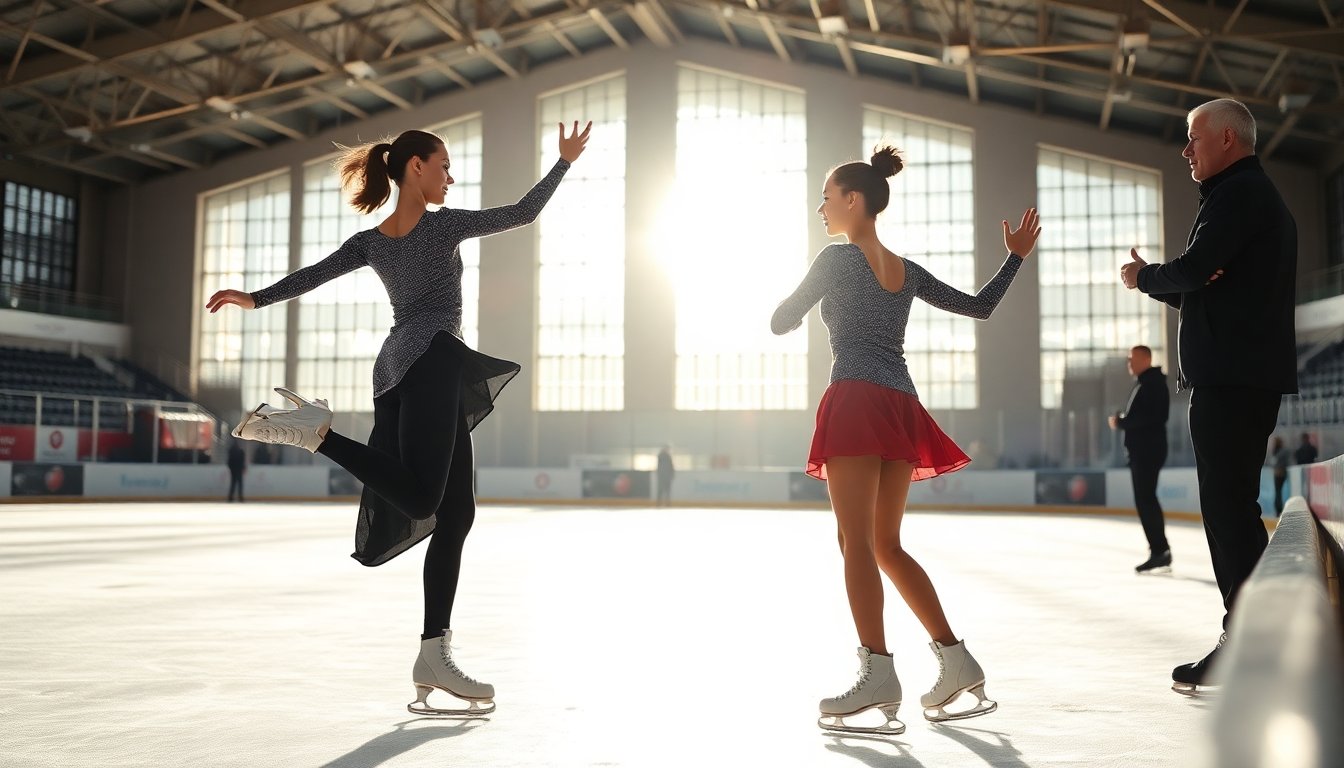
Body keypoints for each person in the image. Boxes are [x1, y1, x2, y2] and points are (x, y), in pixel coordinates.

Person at [206, 120, 592, 716]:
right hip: (434, 360)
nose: (450, 176)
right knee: (421, 502)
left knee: (455, 513)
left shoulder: (373, 241)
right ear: (416, 167)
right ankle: (319, 435)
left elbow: (314, 276)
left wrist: (255, 299)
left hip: (400, 368)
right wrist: (563, 163)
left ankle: (434, 652)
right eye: (443, 166)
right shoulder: (442, 227)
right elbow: (522, 212)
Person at [772, 143, 1041, 734]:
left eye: (826, 198)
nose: (821, 209)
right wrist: (1014, 258)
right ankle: (957, 661)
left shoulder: (835, 260)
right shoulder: (905, 269)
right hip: (900, 405)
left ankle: (878, 673)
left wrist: (788, 316)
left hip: (856, 400)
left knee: (855, 545)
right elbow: (980, 306)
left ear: (853, 200)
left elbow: (781, 316)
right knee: (886, 545)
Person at [1120, 98, 1296, 696]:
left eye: (1193, 138)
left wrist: (1148, 276)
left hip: (1232, 376)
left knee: (1227, 510)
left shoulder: (1239, 195)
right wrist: (1185, 277)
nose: (1185, 149)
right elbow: (1204, 282)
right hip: (1237, 372)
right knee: (1232, 509)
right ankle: (1259, 632)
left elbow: (1197, 273)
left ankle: (1248, 640)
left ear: (1226, 138)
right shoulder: (1237, 198)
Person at [1107, 345, 1171, 573]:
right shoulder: (1147, 382)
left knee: (1146, 500)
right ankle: (1159, 549)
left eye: (1131, 358)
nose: (1129, 363)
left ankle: (1159, 551)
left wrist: (1121, 422)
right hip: (1145, 450)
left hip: (1147, 451)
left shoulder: (1151, 384)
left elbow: (1151, 417)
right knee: (1146, 499)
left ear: (1145, 358)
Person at [1268, 436, 1292, 516]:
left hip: (1277, 473)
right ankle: (1279, 509)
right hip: (1282, 473)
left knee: (1278, 492)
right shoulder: (1283, 451)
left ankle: (1278, 509)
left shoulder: (1276, 451)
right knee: (1278, 492)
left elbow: (1273, 462)